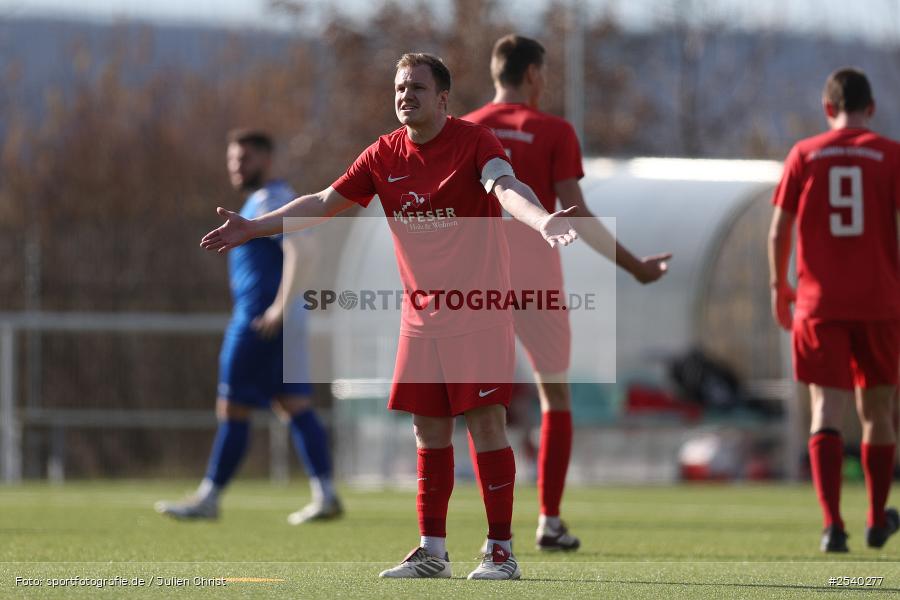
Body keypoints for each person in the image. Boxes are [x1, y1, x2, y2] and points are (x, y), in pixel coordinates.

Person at [201, 53, 578, 580]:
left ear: (443, 98)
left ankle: (500, 551)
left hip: (479, 310)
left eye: (418, 88)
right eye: (400, 88)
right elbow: (322, 201)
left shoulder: (475, 142)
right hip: (422, 317)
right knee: (428, 432)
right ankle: (432, 551)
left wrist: (540, 222)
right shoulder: (383, 154)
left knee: (487, 425)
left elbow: (505, 186)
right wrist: (254, 227)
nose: (406, 96)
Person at [463, 34, 671, 551]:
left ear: (496, 72)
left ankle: (488, 525)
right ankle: (549, 520)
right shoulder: (553, 129)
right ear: (533, 74)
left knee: (481, 406)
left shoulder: (463, 128)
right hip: (536, 283)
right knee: (554, 396)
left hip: (479, 283)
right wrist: (635, 266)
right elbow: (576, 214)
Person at [156, 129, 343, 525]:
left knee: (233, 407)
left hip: (259, 321)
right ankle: (325, 493)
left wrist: (277, 307)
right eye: (232, 160)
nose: (237, 167)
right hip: (280, 322)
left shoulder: (271, 199)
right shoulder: (265, 200)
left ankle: (209, 497)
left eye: (245, 159)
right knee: (293, 405)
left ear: (266, 160)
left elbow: (303, 250)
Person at [768, 68, 900, 552]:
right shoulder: (891, 155)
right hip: (881, 302)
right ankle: (876, 518)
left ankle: (832, 526)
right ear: (872, 108)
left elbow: (779, 230)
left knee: (826, 407)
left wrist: (778, 288)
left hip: (819, 304)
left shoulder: (805, 154)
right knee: (878, 411)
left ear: (828, 109)